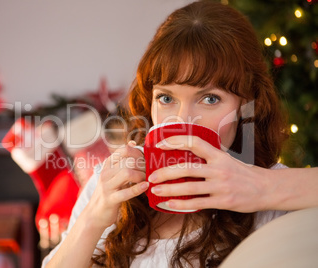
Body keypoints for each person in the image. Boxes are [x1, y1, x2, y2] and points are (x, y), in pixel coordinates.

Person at [42, 1, 318, 267]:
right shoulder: (112, 186)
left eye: (210, 99)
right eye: (165, 98)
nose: (182, 120)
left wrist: (265, 186)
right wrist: (92, 220)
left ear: (246, 107)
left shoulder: (274, 197)